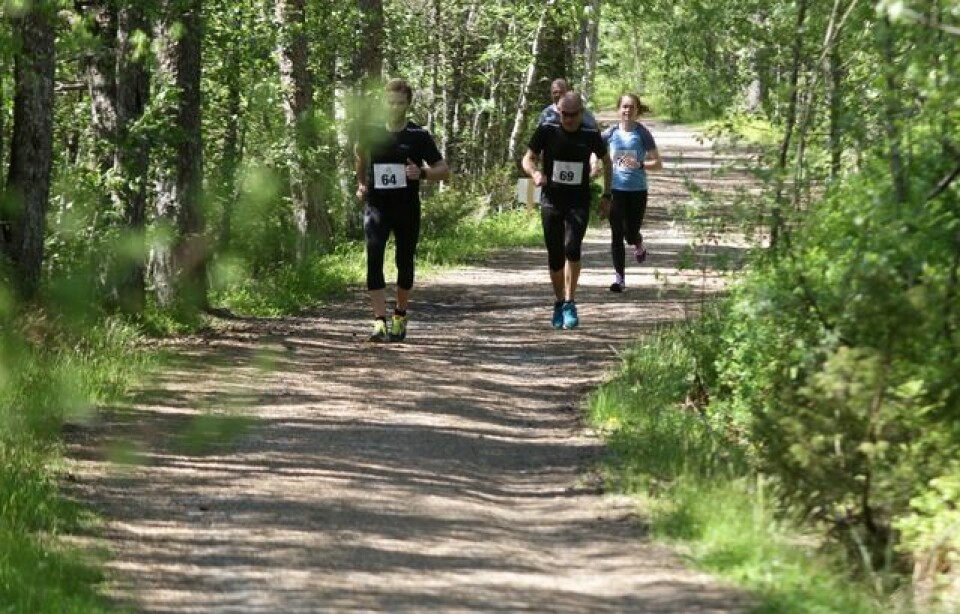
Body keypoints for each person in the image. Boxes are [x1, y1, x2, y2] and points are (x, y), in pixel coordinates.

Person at [355, 78, 449, 342]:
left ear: (408, 104)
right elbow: (360, 156)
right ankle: (378, 321)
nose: (394, 108)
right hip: (377, 207)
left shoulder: (418, 136)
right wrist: (361, 183)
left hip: (406, 208)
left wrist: (422, 173)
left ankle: (399, 314)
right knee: (374, 259)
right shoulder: (371, 131)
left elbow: (444, 170)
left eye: (399, 103)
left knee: (404, 261)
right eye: (390, 103)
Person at [522, 92, 612, 330]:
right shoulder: (547, 129)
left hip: (578, 200)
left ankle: (571, 301)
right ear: (558, 111)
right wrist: (535, 173)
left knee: (572, 248)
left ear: (581, 113)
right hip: (551, 200)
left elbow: (607, 161)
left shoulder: (590, 133)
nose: (569, 119)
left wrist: (606, 195)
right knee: (554, 255)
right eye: (565, 114)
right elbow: (527, 159)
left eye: (573, 115)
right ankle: (559, 302)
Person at [600, 93, 662, 293]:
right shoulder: (610, 133)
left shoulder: (642, 133)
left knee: (630, 233)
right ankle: (619, 279)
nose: (627, 111)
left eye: (631, 107)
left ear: (637, 110)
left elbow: (658, 163)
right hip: (615, 190)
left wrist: (640, 164)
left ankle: (638, 243)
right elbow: (597, 154)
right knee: (616, 234)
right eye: (624, 107)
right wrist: (594, 166)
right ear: (618, 110)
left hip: (637, 191)